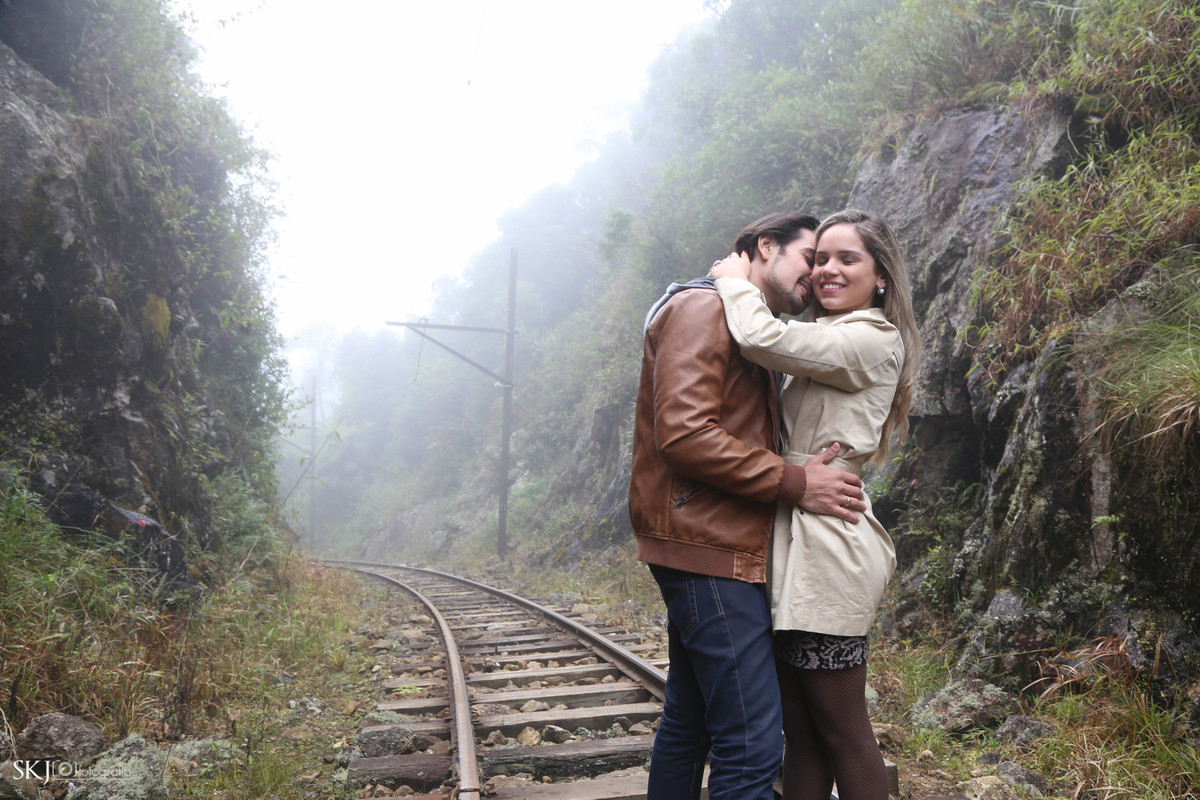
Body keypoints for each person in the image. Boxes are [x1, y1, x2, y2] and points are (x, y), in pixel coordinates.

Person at [629, 211, 870, 800]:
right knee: (751, 738)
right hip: (709, 545)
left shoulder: (739, 319)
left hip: (713, 538)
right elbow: (684, 434)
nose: (816, 274)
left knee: (690, 721)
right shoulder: (704, 309)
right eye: (809, 257)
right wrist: (793, 483)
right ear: (766, 247)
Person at [709, 208, 920, 800]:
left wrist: (733, 279)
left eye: (846, 259)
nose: (828, 269)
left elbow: (761, 337)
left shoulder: (868, 337)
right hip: (798, 536)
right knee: (799, 734)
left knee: (843, 730)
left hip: (830, 545)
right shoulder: (834, 336)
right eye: (821, 257)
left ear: (880, 276)